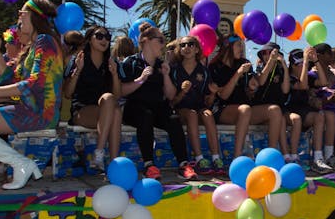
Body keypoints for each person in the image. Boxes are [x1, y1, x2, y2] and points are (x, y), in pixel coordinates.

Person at [0, 0, 63, 189]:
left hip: (40, 114)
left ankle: (20, 164)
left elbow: (33, 84)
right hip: (27, 110)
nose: (19, 15)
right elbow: (12, 78)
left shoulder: (46, 41)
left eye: (23, 12)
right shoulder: (33, 46)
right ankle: (20, 164)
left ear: (35, 17)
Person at [118, 23, 195, 180]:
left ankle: (183, 164)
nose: (163, 44)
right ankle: (149, 165)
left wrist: (166, 75)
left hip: (158, 107)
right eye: (160, 40)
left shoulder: (162, 65)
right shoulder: (131, 62)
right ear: (146, 40)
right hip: (135, 108)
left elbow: (171, 95)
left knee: (173, 119)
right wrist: (141, 79)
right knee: (145, 116)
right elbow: (121, 91)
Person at [209, 35, 283, 158]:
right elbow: (223, 96)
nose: (242, 49)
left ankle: (271, 156)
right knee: (245, 109)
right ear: (228, 46)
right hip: (223, 109)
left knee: (275, 110)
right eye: (239, 45)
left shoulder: (244, 63)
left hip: (245, 110)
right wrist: (238, 74)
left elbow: (259, 82)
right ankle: (237, 157)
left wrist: (253, 84)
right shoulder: (215, 67)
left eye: (242, 45)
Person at [63, 26, 123, 172]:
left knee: (113, 107)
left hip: (105, 110)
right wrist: (78, 70)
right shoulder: (78, 59)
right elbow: (68, 94)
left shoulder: (111, 62)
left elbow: (118, 95)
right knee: (113, 108)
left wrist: (114, 74)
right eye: (99, 36)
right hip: (82, 111)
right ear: (89, 39)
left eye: (108, 37)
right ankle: (103, 155)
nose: (105, 40)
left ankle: (110, 162)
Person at [165, 34, 223, 175]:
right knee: (191, 115)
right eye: (183, 45)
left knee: (208, 114)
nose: (186, 47)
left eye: (190, 44)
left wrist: (214, 93)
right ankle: (199, 159)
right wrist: (183, 92)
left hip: (199, 108)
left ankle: (216, 158)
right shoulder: (174, 70)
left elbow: (208, 102)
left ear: (197, 49)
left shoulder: (203, 71)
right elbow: (172, 102)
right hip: (181, 109)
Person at [284, 47, 334, 173]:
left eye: (304, 63)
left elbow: (324, 82)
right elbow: (303, 85)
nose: (304, 67)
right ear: (293, 66)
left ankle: (319, 158)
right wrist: (306, 61)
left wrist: (316, 61)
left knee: (321, 116)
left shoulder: (307, 76)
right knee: (297, 119)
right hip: (288, 111)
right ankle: (294, 157)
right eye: (300, 64)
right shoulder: (288, 78)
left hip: (304, 110)